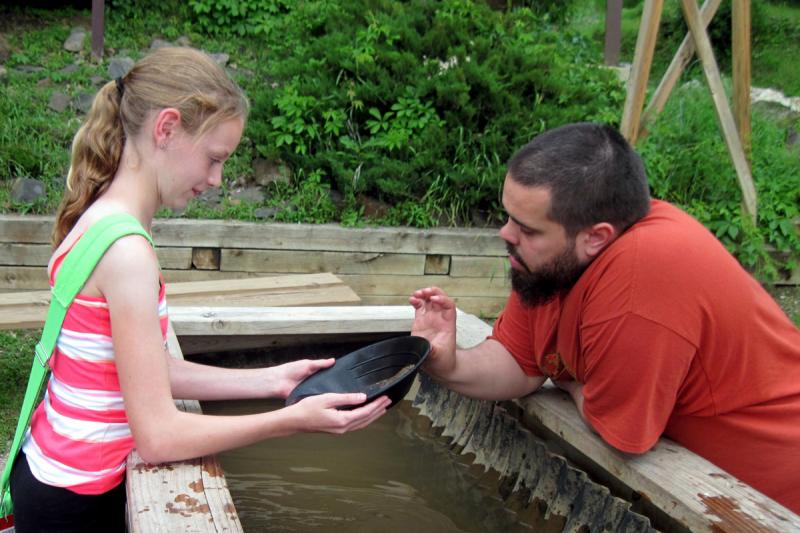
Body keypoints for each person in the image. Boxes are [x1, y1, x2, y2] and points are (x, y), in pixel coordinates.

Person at [8, 47, 390, 532]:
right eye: (214, 159)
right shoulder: (127, 252)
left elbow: (147, 370)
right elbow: (159, 437)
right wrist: (291, 420)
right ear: (166, 128)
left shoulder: (103, 221)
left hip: (52, 475)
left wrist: (272, 381)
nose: (216, 179)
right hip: (76, 503)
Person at [410, 122, 800, 513]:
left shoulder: (642, 278)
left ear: (595, 236)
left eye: (527, 228)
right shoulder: (556, 263)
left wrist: (569, 382)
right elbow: (519, 360)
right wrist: (448, 362)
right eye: (509, 216)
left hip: (772, 497)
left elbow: (622, 435)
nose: (505, 233)